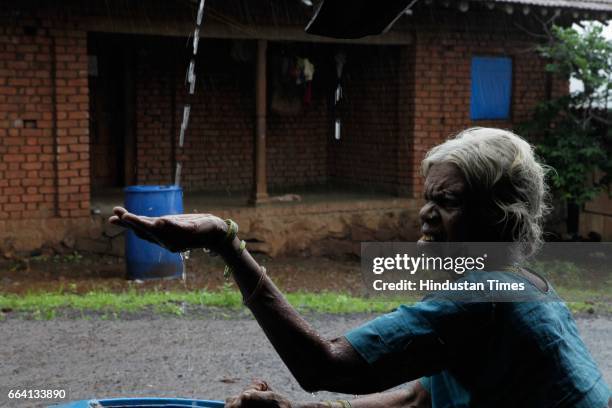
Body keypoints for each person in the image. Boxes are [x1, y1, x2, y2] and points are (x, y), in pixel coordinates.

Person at [110, 128, 611, 408]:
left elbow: (323, 366)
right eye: (427, 198)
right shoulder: (524, 284)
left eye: (449, 200)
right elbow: (419, 399)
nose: (426, 213)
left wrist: (227, 242)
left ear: (501, 216)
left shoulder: (484, 295)